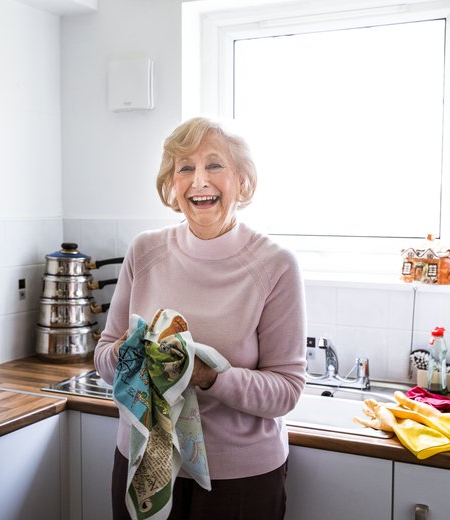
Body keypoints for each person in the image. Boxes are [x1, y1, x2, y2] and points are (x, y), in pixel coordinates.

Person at [94, 116, 307, 520]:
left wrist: (209, 377)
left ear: (242, 181)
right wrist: (129, 353)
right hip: (143, 464)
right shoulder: (144, 251)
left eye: (214, 165)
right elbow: (105, 357)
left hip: (239, 478)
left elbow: (287, 390)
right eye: (185, 168)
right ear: (171, 184)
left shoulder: (275, 265)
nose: (199, 181)